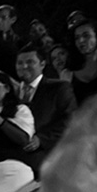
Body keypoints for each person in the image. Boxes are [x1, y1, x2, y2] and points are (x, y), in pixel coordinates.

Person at [15, 45, 77, 175]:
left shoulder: (59, 88)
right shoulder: (11, 93)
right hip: (15, 162)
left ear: (42, 64)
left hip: (48, 161)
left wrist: (41, 139)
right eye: (20, 63)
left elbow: (70, 121)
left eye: (30, 62)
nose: (24, 66)